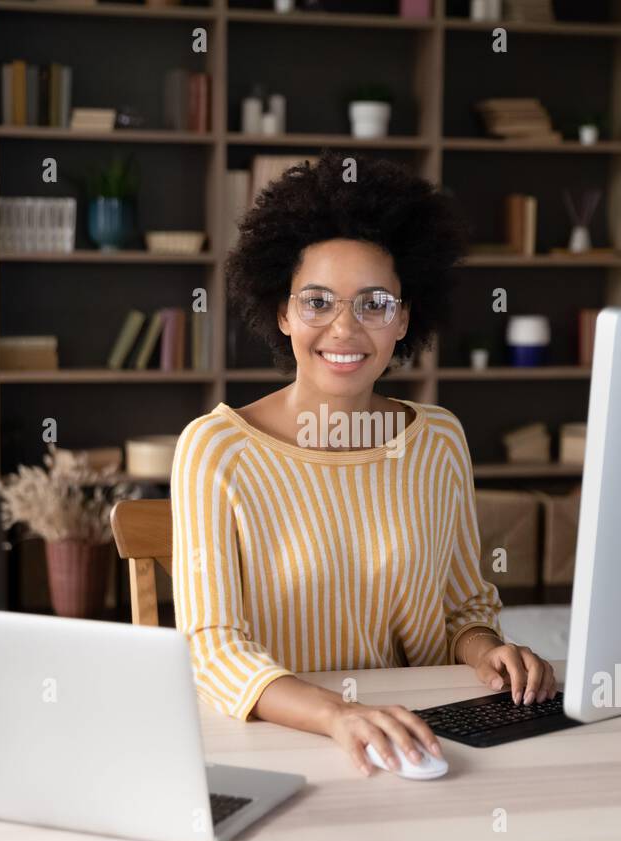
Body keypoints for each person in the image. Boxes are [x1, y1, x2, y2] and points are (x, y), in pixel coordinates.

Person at [171, 151, 556, 775]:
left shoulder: (437, 439)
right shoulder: (217, 450)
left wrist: (489, 652)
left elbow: (464, 608)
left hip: (425, 734)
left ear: (404, 319)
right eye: (317, 301)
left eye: (374, 303)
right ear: (282, 311)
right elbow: (211, 649)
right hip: (282, 742)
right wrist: (336, 715)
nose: (344, 329)